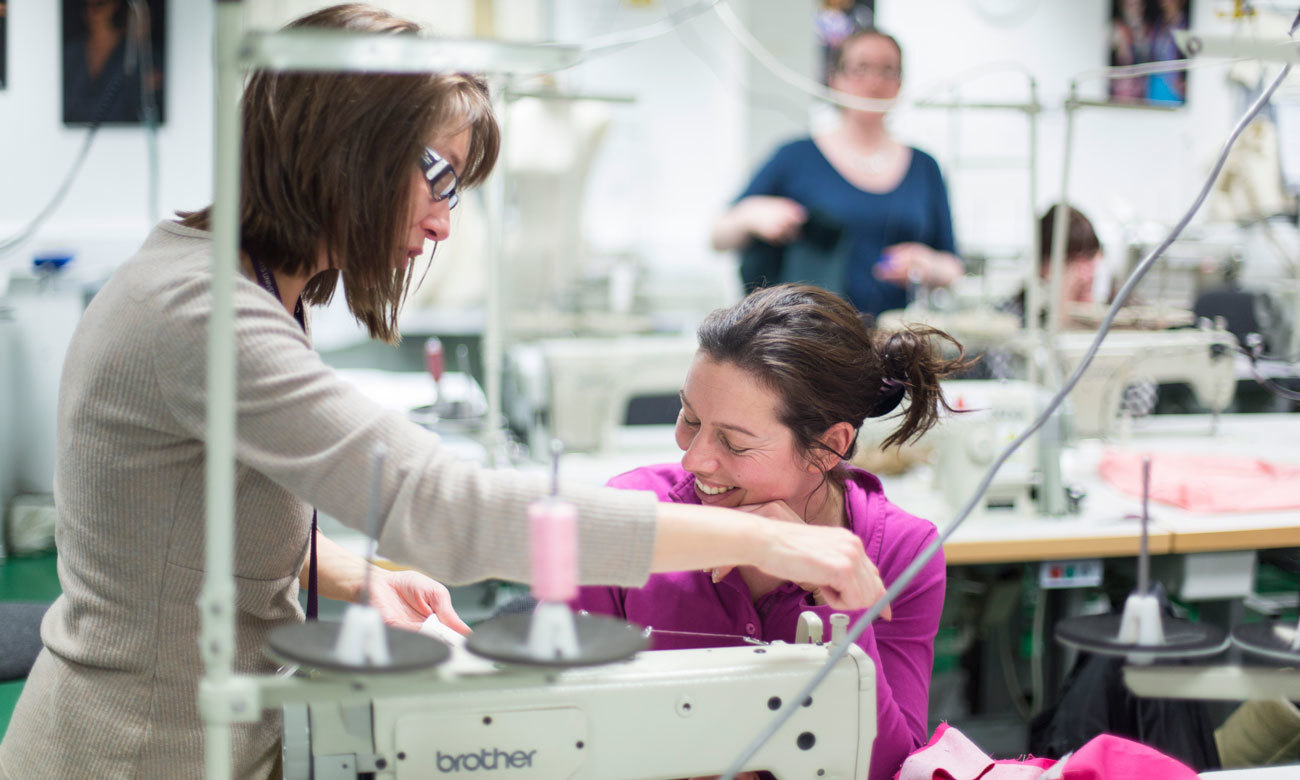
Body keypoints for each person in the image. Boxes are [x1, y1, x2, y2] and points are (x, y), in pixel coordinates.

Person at [0, 6, 885, 779]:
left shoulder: (244, 287)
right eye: (438, 177)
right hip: (139, 752)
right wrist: (775, 540)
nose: (441, 221)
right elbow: (440, 506)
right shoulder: (205, 313)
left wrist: (355, 575)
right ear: (348, 146)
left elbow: (185, 519)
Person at [576, 284, 971, 780]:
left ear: (828, 447)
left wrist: (835, 598)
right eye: (689, 418)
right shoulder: (628, 516)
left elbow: (889, 767)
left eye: (734, 443)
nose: (693, 458)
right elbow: (563, 729)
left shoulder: (901, 551)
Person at [711, 29, 962, 319]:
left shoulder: (924, 167)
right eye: (861, 69)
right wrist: (750, 215)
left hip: (898, 335)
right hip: (812, 337)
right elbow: (718, 236)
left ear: (900, 83)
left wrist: (928, 265)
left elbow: (953, 266)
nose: (874, 82)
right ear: (835, 78)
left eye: (887, 70)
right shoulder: (795, 157)